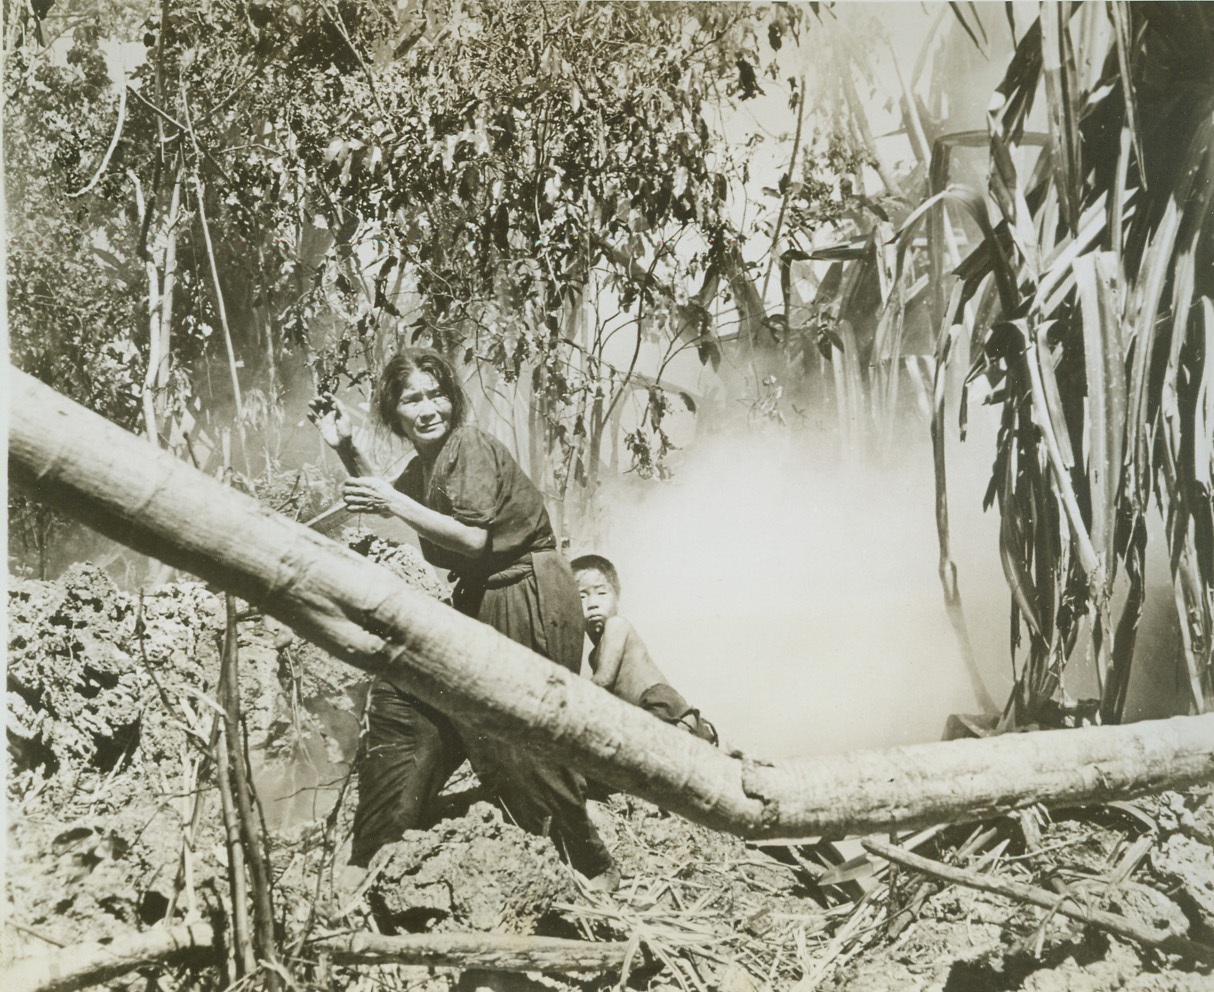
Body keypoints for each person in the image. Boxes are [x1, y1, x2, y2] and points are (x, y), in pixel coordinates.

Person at [308, 348, 616, 890]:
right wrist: (348, 448)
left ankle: (587, 865)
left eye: (437, 395)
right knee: (410, 698)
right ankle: (379, 847)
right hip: (481, 596)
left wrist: (392, 501)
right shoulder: (429, 462)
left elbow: (473, 538)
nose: (429, 409)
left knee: (522, 723)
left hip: (528, 591)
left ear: (453, 399)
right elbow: (391, 500)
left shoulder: (468, 445)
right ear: (392, 409)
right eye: (412, 399)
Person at [571, 555, 718, 745]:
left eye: (601, 593)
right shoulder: (594, 655)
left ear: (617, 598)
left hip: (661, 706)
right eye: (581, 596)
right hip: (646, 711)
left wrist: (572, 697)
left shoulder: (616, 625)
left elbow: (603, 680)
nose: (592, 603)